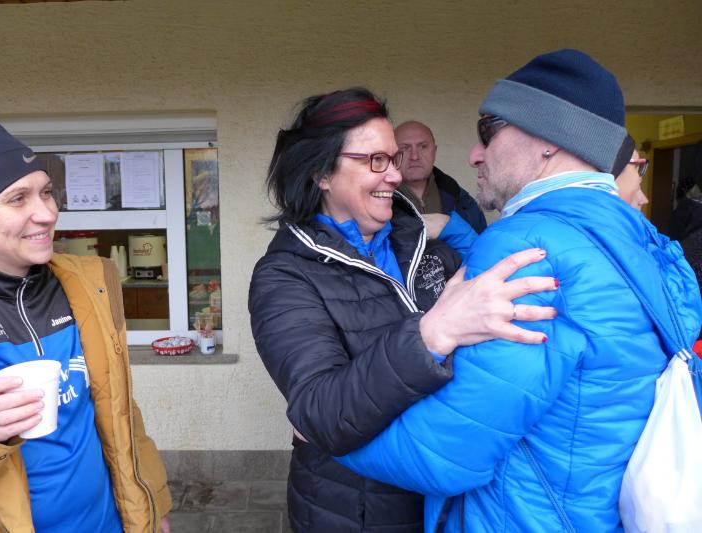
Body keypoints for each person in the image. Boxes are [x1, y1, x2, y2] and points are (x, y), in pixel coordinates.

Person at [337, 50, 702, 532]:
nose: (474, 154)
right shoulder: (642, 241)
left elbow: (447, 452)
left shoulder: (528, 247)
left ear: (550, 140)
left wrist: (329, 433)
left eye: (488, 130)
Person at [248, 88, 558, 532]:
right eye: (375, 160)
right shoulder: (285, 276)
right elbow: (320, 412)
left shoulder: (423, 248)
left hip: (446, 503)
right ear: (322, 173)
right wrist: (433, 333)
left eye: (392, 158)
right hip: (357, 512)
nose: (395, 174)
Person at [0, 121, 172, 532]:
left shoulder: (88, 286)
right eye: (17, 198)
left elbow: (122, 415)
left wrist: (153, 505)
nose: (47, 213)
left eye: (46, 192)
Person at [395, 120, 487, 234]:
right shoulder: (380, 202)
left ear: (434, 151)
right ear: (392, 153)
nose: (414, 156)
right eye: (405, 148)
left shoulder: (463, 201)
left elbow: (479, 243)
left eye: (423, 147)